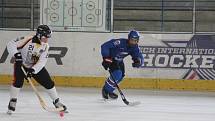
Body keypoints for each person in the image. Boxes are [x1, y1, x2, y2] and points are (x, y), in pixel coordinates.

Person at [6, 25, 67, 114]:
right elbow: (10, 44)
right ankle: (13, 101)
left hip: (34, 66)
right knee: (17, 82)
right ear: (39, 35)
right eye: (46, 37)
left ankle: (57, 102)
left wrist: (33, 70)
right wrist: (16, 55)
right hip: (21, 64)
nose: (47, 39)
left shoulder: (46, 46)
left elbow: (42, 62)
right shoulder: (27, 39)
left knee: (48, 82)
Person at [101, 30, 144, 99]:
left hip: (119, 61)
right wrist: (106, 57)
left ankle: (110, 91)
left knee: (120, 77)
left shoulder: (135, 47)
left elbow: (139, 56)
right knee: (117, 74)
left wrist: (138, 61)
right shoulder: (120, 42)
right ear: (129, 38)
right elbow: (105, 46)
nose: (134, 42)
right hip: (111, 59)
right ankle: (106, 90)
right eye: (132, 40)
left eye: (136, 40)